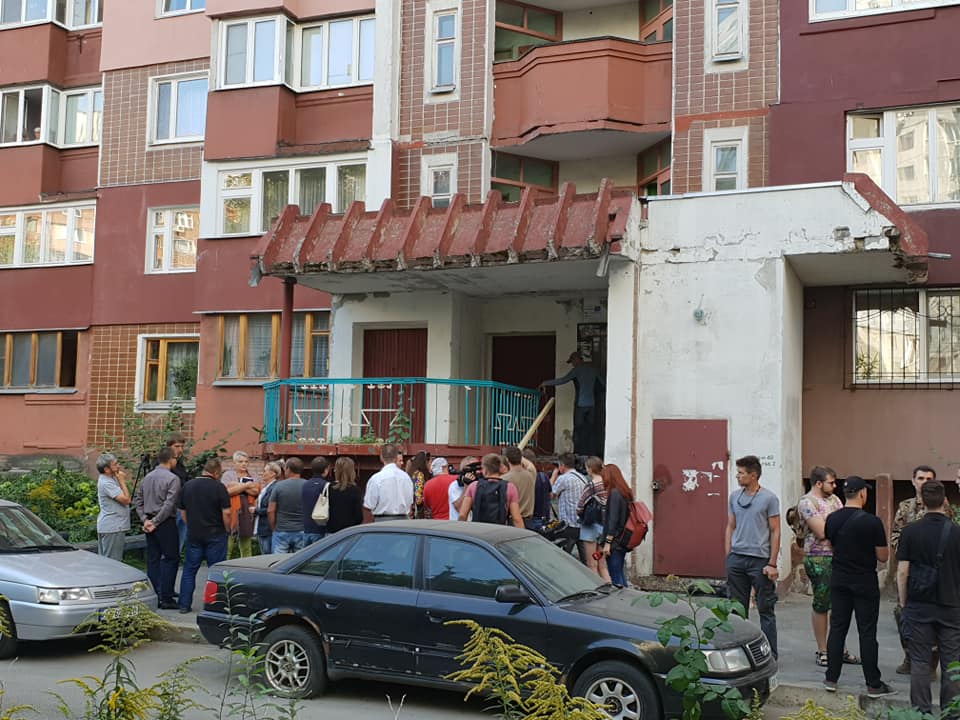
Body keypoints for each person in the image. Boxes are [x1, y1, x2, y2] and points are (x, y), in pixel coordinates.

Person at [822, 476, 894, 697]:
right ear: (862, 493)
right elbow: (883, 556)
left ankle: (831, 678)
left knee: (837, 629)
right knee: (867, 632)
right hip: (864, 581)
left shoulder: (832, 519)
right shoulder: (872, 522)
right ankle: (873, 684)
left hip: (839, 579)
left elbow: (831, 546)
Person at [897, 480, 960, 713]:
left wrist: (904, 602)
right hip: (951, 605)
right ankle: (951, 713)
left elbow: (902, 571)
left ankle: (921, 713)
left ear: (921, 501)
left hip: (919, 605)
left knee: (920, 662)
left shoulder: (910, 531)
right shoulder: (957, 532)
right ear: (945, 501)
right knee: (952, 664)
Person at [725, 454, 780, 659]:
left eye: (741, 473)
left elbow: (775, 530)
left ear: (753, 475)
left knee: (766, 608)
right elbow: (730, 526)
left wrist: (772, 563)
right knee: (737, 610)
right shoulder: (734, 497)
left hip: (759, 560)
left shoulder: (769, 498)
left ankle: (770, 654)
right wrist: (729, 556)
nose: (737, 476)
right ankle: (739, 654)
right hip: (737, 558)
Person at [891, 465, 943, 674]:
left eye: (928, 479)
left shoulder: (942, 505)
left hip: (935, 570)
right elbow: (895, 535)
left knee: (935, 617)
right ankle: (909, 656)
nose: (924, 482)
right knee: (902, 613)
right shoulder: (905, 507)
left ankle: (931, 661)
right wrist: (909, 551)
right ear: (913, 481)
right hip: (910, 568)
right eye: (920, 478)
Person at [797, 466, 849, 667]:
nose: (835, 486)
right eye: (831, 483)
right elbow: (821, 532)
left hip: (838, 555)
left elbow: (844, 523)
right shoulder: (807, 502)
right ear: (819, 483)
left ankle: (838, 647)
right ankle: (823, 649)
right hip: (818, 557)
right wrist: (838, 528)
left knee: (840, 605)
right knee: (822, 603)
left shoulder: (835, 500)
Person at [178, 457, 231, 614]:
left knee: (189, 570)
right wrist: (227, 529)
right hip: (216, 535)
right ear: (216, 472)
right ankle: (215, 606)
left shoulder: (188, 486)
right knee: (216, 572)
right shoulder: (219, 487)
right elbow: (227, 513)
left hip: (194, 534)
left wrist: (190, 525)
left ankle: (184, 605)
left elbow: (182, 512)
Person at [134, 447, 181, 609]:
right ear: (171, 459)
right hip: (165, 522)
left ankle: (153, 594)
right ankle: (166, 597)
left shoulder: (147, 477)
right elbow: (169, 504)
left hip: (149, 521)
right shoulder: (173, 479)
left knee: (153, 559)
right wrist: (155, 521)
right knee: (171, 558)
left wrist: (145, 519)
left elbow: (138, 501)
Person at [539, 351, 605, 456]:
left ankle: (578, 454)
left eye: (573, 361)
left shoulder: (577, 370)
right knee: (591, 430)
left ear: (577, 359)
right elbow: (603, 385)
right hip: (592, 405)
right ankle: (592, 454)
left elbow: (563, 380)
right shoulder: (593, 370)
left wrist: (546, 383)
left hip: (580, 405)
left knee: (578, 431)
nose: (572, 364)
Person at [458, 453, 523, 527]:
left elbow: (462, 515)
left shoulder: (473, 486)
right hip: (500, 530)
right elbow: (516, 519)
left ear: (485, 470)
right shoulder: (510, 487)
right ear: (499, 468)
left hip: (477, 529)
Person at [220, 451, 260, 559]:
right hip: (231, 512)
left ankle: (246, 565)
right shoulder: (228, 475)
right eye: (240, 461)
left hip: (247, 512)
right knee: (228, 544)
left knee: (246, 544)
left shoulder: (253, 475)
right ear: (234, 463)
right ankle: (224, 565)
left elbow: (255, 491)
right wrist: (247, 485)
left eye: (246, 461)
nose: (244, 464)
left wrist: (236, 485)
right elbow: (227, 492)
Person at [599, 463, 633, 587]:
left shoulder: (614, 494)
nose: (602, 480)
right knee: (619, 572)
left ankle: (622, 598)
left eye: (603, 477)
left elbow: (613, 521)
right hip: (623, 539)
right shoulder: (625, 493)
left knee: (615, 576)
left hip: (615, 541)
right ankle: (627, 596)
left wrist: (607, 543)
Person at [577, 456, 610, 581]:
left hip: (591, 526)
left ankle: (597, 589)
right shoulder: (607, 483)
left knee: (592, 564)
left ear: (590, 469)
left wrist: (580, 514)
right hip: (604, 525)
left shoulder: (591, 485)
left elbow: (580, 505)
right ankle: (609, 587)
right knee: (602, 564)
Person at [551, 453, 589, 560]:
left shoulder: (563, 478)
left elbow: (551, 494)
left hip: (568, 524)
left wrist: (554, 475)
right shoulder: (583, 478)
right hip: (581, 524)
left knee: (563, 559)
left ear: (562, 465)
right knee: (585, 558)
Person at [363, 444, 414, 522]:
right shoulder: (406, 478)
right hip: (403, 522)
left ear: (381, 457)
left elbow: (368, 506)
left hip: (381, 523)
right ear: (396, 457)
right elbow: (410, 503)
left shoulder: (376, 479)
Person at [95, 453, 131, 562]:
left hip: (113, 526)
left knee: (107, 562)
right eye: (115, 464)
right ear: (106, 469)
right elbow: (126, 500)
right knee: (113, 563)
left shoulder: (111, 479)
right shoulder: (106, 483)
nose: (118, 466)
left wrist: (119, 479)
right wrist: (122, 481)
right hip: (113, 527)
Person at [269, 457, 307, 553]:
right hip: (302, 530)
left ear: (288, 469)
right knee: (301, 560)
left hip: (281, 530)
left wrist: (274, 528)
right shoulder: (307, 485)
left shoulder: (278, 486)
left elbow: (271, 510)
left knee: (279, 561)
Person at [165, 432, 190, 551]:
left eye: (182, 446)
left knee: (178, 543)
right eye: (176, 446)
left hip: (181, 507)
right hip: (169, 509)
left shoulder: (180, 464)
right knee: (168, 545)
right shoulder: (163, 464)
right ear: (168, 447)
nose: (180, 449)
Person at [326, 457, 364, 533]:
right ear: (352, 471)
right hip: (349, 532)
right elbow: (359, 516)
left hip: (331, 531)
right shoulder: (355, 490)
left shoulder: (329, 488)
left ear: (336, 470)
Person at [503, 446, 537, 529]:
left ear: (507, 460)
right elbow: (530, 464)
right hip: (529, 520)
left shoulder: (504, 479)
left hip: (512, 522)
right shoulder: (531, 474)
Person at [302, 457, 331, 546]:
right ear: (326, 470)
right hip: (320, 528)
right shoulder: (327, 486)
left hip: (306, 528)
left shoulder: (305, 484)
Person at [254, 461, 281, 553]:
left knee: (267, 554)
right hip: (263, 527)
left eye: (265, 471)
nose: (263, 473)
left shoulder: (274, 487)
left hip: (267, 528)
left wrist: (256, 510)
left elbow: (272, 509)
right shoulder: (266, 487)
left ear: (273, 474)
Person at [523, 448, 553, 529]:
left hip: (530, 519)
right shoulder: (543, 476)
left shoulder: (525, 478)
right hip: (544, 518)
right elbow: (550, 495)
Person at [449, 456, 479, 521]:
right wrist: (467, 486)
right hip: (459, 524)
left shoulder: (479, 484)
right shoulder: (455, 485)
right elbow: (459, 508)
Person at [406, 451, 431, 519]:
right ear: (425, 462)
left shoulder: (412, 473)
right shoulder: (420, 475)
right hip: (418, 512)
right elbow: (418, 499)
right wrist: (427, 499)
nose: (430, 464)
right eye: (429, 462)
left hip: (409, 509)